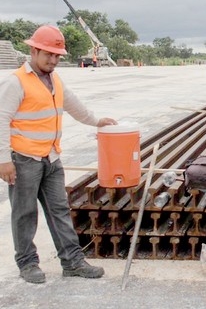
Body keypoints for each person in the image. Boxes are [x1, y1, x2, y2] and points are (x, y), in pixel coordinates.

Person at [0, 25, 118, 284]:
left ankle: (72, 261)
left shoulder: (55, 80)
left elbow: (75, 106)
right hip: (24, 159)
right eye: (48, 55)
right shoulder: (15, 81)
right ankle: (28, 263)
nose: (53, 60)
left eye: (57, 56)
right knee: (25, 213)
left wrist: (97, 121)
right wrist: (4, 160)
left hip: (51, 158)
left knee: (60, 210)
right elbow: (1, 119)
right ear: (34, 50)